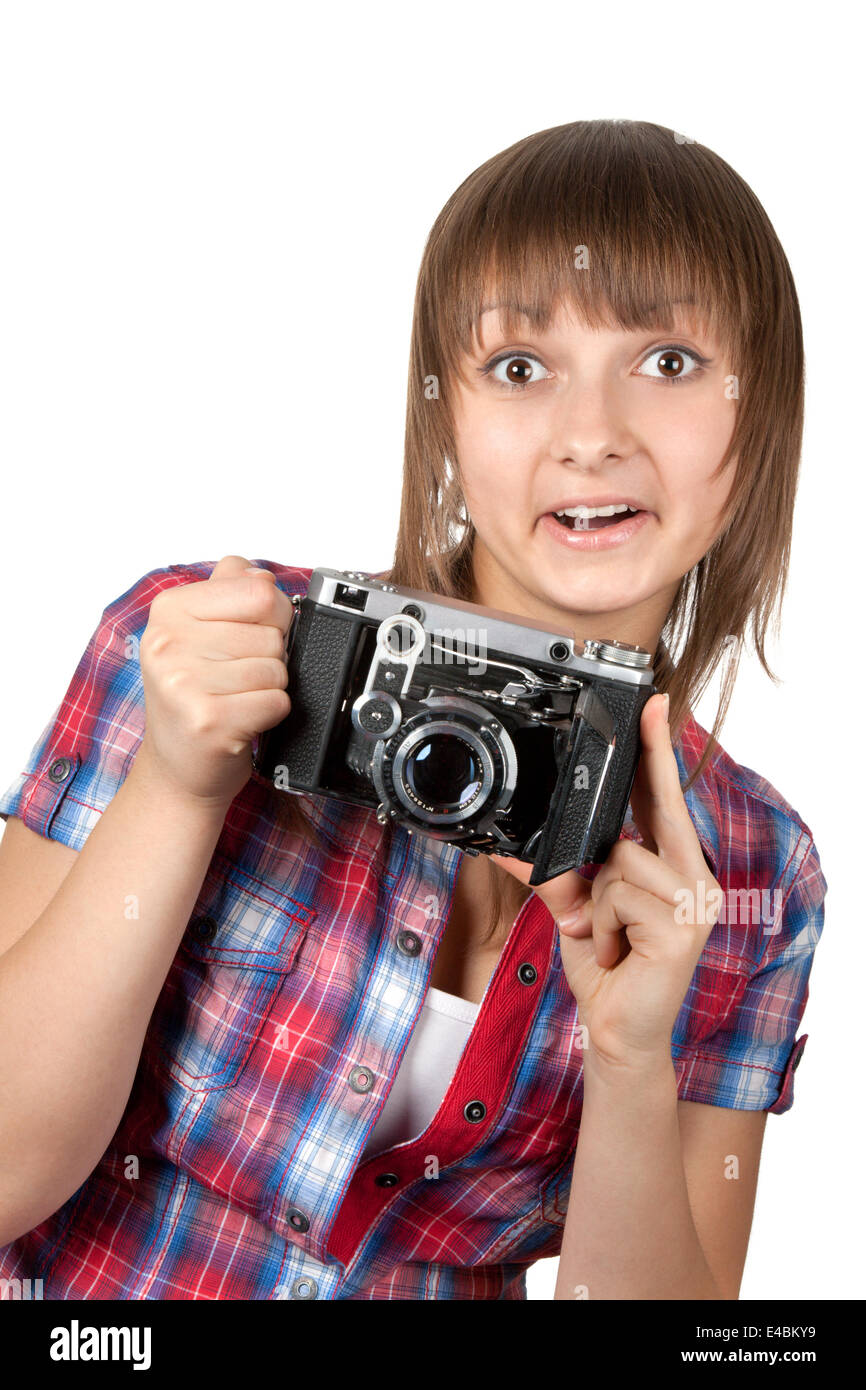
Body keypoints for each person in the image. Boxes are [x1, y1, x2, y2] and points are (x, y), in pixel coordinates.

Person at [0, 119, 826, 1300]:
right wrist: (175, 790)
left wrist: (631, 1057)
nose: (591, 437)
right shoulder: (207, 652)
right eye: (519, 367)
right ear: (444, 413)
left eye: (667, 361)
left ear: (762, 413)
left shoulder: (753, 871)